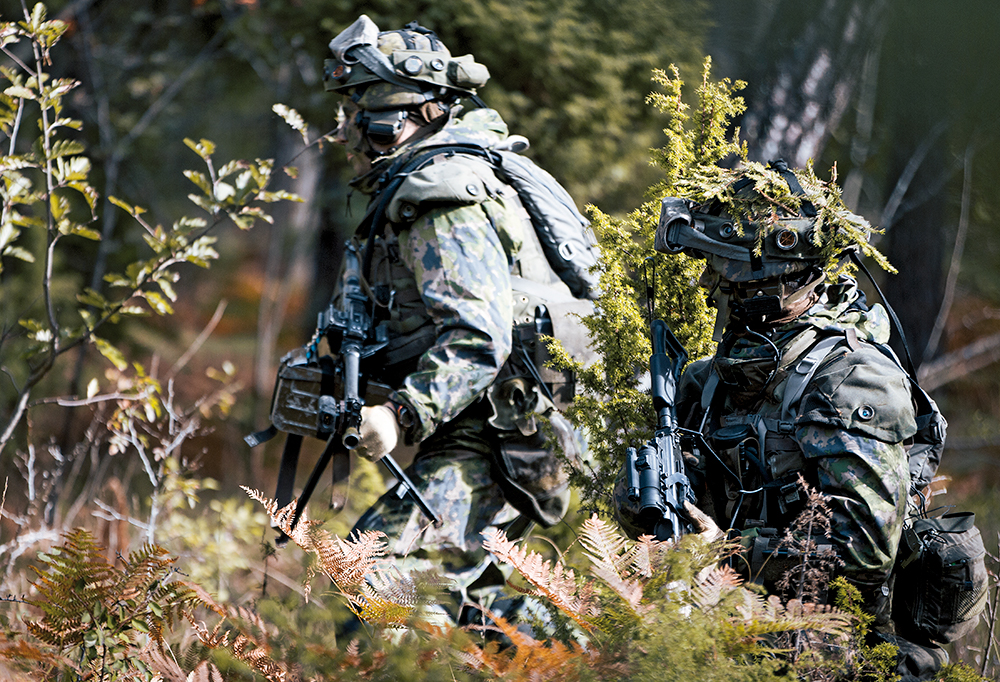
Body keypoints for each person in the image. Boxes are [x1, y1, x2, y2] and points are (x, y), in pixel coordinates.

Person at [617, 165, 948, 681]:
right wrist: (645, 506)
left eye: (726, 270)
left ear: (781, 276)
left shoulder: (852, 381)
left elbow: (862, 558)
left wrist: (727, 554)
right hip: (715, 629)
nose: (711, 283)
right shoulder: (703, 382)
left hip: (828, 646)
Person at [320, 16, 593, 627]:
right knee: (472, 607)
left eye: (357, 112)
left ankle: (618, 658)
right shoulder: (441, 178)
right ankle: (600, 659)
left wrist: (400, 415)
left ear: (398, 120)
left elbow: (478, 338)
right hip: (493, 421)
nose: (345, 131)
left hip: (493, 430)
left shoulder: (440, 196)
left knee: (376, 580)